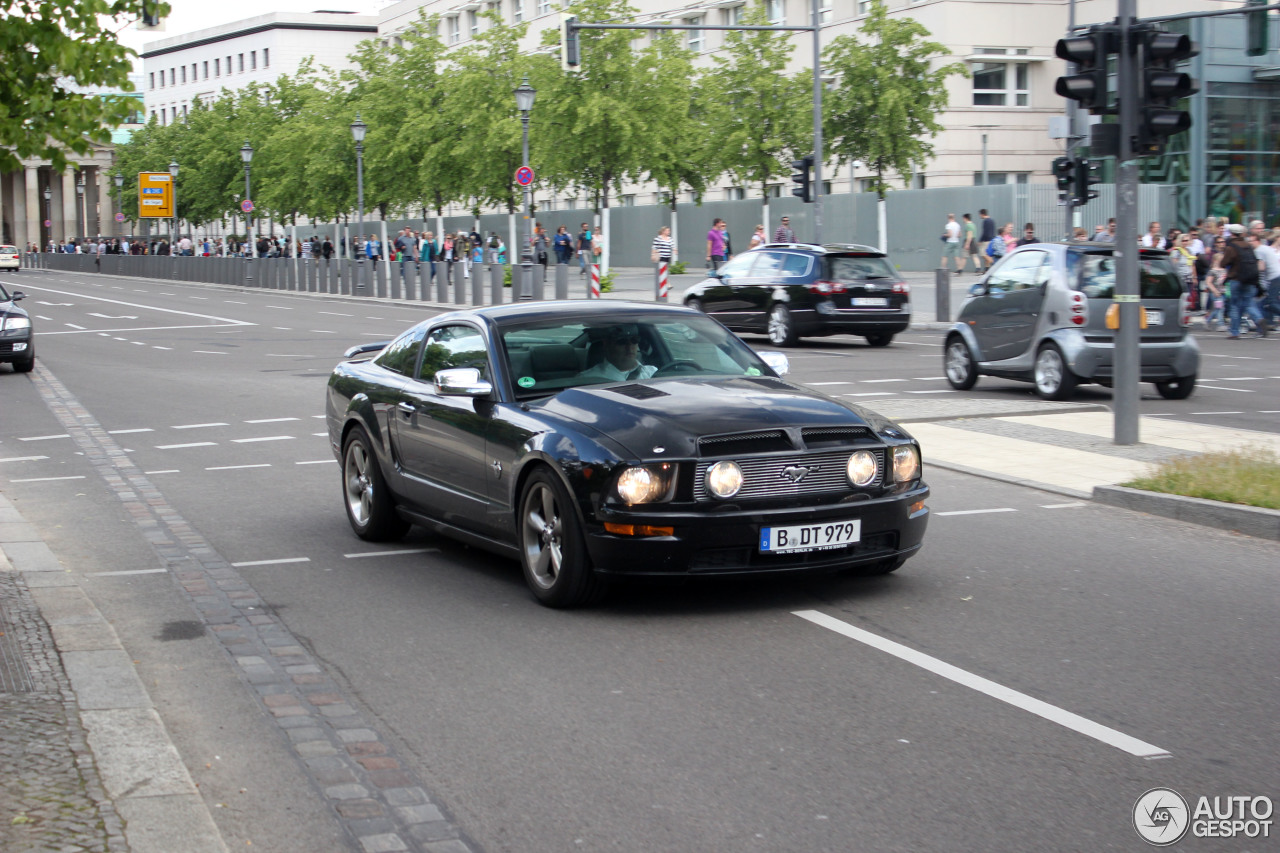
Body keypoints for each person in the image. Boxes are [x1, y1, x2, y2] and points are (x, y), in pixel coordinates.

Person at [1220, 224, 1268, 338]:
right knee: (1248, 303)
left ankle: (1235, 332)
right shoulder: (1248, 245)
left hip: (1236, 279)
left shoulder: (1231, 247)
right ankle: (1260, 319)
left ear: (1232, 234)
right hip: (1250, 279)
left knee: (1235, 305)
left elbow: (1223, 263)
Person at [577, 325, 657, 383]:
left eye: (634, 340)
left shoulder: (654, 372)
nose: (629, 347)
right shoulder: (588, 379)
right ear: (606, 344)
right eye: (622, 342)